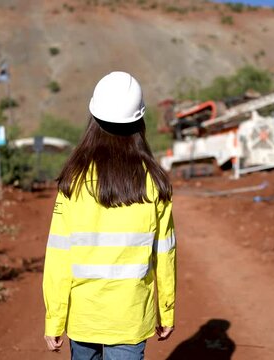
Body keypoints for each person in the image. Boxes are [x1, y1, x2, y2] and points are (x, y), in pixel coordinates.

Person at [42, 71, 176, 360]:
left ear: (93, 118)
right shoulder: (154, 182)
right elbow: (165, 255)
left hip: (84, 317)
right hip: (130, 318)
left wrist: (54, 318)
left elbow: (58, 257)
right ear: (140, 122)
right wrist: (166, 310)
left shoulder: (73, 182)